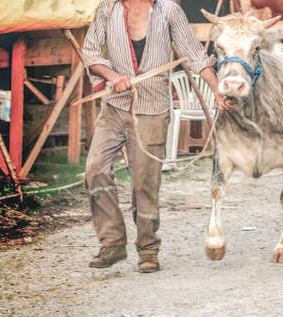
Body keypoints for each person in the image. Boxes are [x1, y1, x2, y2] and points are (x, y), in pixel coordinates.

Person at [82, 0, 233, 273]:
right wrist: (112, 75)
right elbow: (90, 53)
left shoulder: (169, 12)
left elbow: (196, 55)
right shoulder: (107, 8)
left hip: (152, 110)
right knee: (95, 170)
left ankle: (148, 249)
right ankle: (112, 243)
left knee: (145, 183)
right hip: (114, 107)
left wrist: (217, 89)